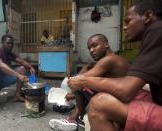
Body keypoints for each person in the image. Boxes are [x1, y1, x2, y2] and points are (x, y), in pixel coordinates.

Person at [67, 0, 162, 131]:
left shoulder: (157, 29)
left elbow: (125, 92)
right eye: (89, 48)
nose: (124, 27)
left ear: (148, 16)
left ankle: (79, 116)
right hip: (146, 98)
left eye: (128, 21)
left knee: (97, 101)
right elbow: (89, 70)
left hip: (139, 98)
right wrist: (84, 74)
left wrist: (82, 80)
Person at [49, 34, 129, 131]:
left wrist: (72, 92)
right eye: (89, 48)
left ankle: (78, 119)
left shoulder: (108, 59)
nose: (91, 50)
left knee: (80, 86)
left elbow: (81, 79)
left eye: (95, 45)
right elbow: (89, 68)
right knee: (85, 83)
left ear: (106, 44)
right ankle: (76, 117)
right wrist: (87, 67)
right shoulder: (111, 58)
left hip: (117, 100)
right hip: (117, 96)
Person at [0, 34, 35, 114]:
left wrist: (31, 67)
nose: (10, 45)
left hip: (2, 79)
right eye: (8, 43)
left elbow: (21, 61)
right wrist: (18, 76)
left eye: (12, 44)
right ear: (2, 43)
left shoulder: (10, 54)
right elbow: (1, 65)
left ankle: (17, 95)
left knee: (22, 69)